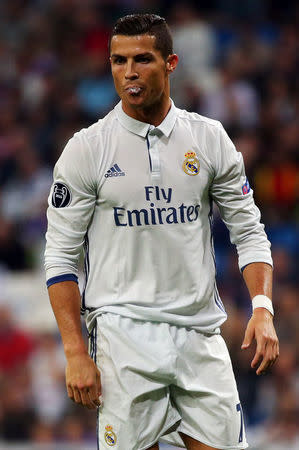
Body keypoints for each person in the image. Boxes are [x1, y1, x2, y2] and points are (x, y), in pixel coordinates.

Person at [44, 13, 279, 450]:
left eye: (142, 59)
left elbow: (249, 231)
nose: (129, 72)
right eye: (118, 61)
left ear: (171, 63)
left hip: (199, 334)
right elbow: (60, 257)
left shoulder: (209, 140)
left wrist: (262, 308)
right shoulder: (86, 149)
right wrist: (76, 352)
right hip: (122, 335)